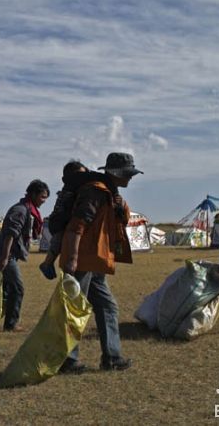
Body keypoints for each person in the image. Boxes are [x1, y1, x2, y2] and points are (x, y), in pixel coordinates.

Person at [59, 152, 142, 372]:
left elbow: (121, 221)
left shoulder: (109, 193)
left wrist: (120, 204)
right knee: (76, 310)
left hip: (95, 261)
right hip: (83, 261)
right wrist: (72, 259)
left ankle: (112, 358)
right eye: (128, 173)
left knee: (108, 307)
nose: (131, 177)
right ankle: (68, 360)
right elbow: (78, 224)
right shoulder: (95, 191)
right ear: (117, 173)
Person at [0, 179, 50, 332]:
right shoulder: (21, 210)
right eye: (42, 197)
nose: (44, 201)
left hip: (9, 256)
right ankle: (11, 324)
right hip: (7, 255)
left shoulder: (27, 210)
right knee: (18, 289)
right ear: (33, 194)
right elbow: (10, 235)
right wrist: (5, 258)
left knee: (5, 290)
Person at [39, 160, 90, 280]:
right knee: (57, 241)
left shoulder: (80, 188)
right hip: (58, 221)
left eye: (83, 175)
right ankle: (47, 263)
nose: (80, 178)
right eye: (77, 175)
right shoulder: (69, 190)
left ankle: (48, 263)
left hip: (64, 220)